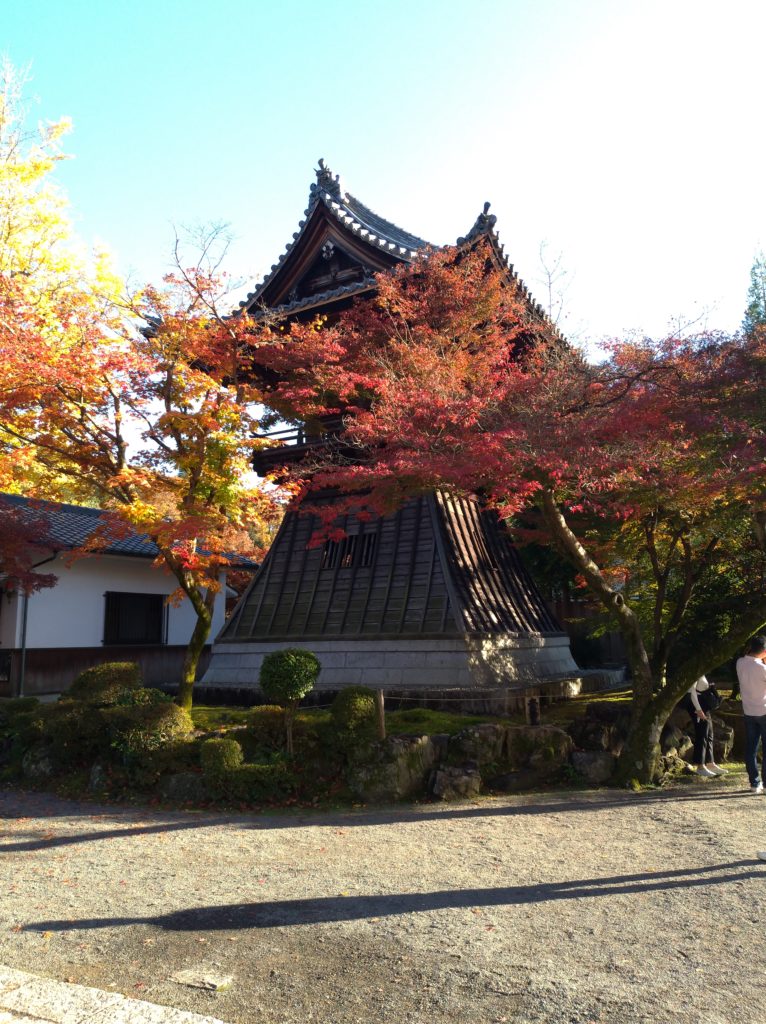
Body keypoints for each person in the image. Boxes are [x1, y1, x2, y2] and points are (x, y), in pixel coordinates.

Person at [735, 635, 766, 795]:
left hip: (748, 711)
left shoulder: (740, 663)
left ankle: (754, 783)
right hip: (764, 710)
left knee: (751, 749)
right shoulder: (761, 668)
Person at [685, 676, 727, 777]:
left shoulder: (702, 671)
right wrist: (698, 710)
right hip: (698, 705)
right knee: (702, 735)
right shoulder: (695, 670)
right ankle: (700, 766)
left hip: (704, 705)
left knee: (709, 735)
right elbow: (692, 691)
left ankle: (710, 763)